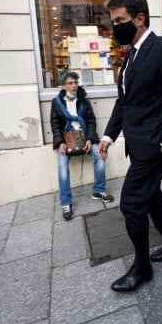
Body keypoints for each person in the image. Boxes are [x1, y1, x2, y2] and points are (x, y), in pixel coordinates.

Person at [97, 0, 162, 292]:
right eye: (113, 22)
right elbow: (124, 102)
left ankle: (142, 269)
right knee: (150, 195)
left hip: (155, 144)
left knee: (131, 203)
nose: (116, 28)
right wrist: (108, 135)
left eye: (120, 21)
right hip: (137, 142)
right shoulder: (130, 57)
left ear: (140, 19)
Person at [51, 71, 114, 221]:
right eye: (70, 83)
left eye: (75, 83)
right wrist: (60, 142)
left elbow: (91, 120)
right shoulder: (56, 102)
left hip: (84, 136)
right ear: (64, 85)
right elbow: (54, 124)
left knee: (100, 156)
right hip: (66, 139)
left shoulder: (83, 100)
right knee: (62, 167)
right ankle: (66, 203)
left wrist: (90, 139)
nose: (74, 86)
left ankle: (98, 191)